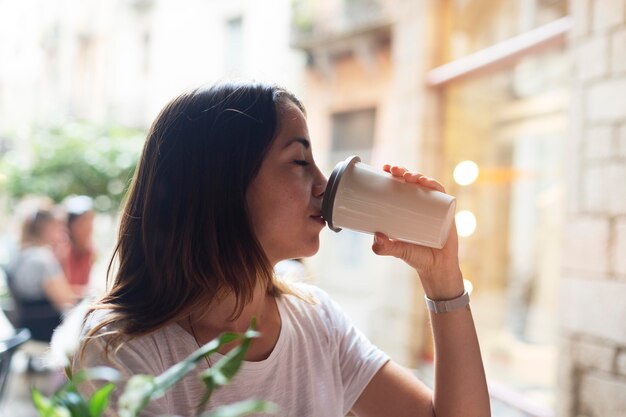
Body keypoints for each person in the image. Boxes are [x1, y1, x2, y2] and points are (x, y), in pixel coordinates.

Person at [72, 81, 490, 417]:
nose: (324, 185)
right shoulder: (124, 353)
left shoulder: (315, 321)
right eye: (299, 162)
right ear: (222, 185)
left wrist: (442, 278)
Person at [7, 209, 78, 343]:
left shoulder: (17, 257)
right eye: (57, 228)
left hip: (26, 328)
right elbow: (65, 300)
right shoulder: (43, 258)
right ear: (46, 229)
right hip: (49, 330)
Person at [60, 196, 95, 296]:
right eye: (82, 222)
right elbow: (63, 290)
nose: (88, 226)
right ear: (70, 225)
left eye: (89, 220)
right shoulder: (63, 250)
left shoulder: (89, 250)